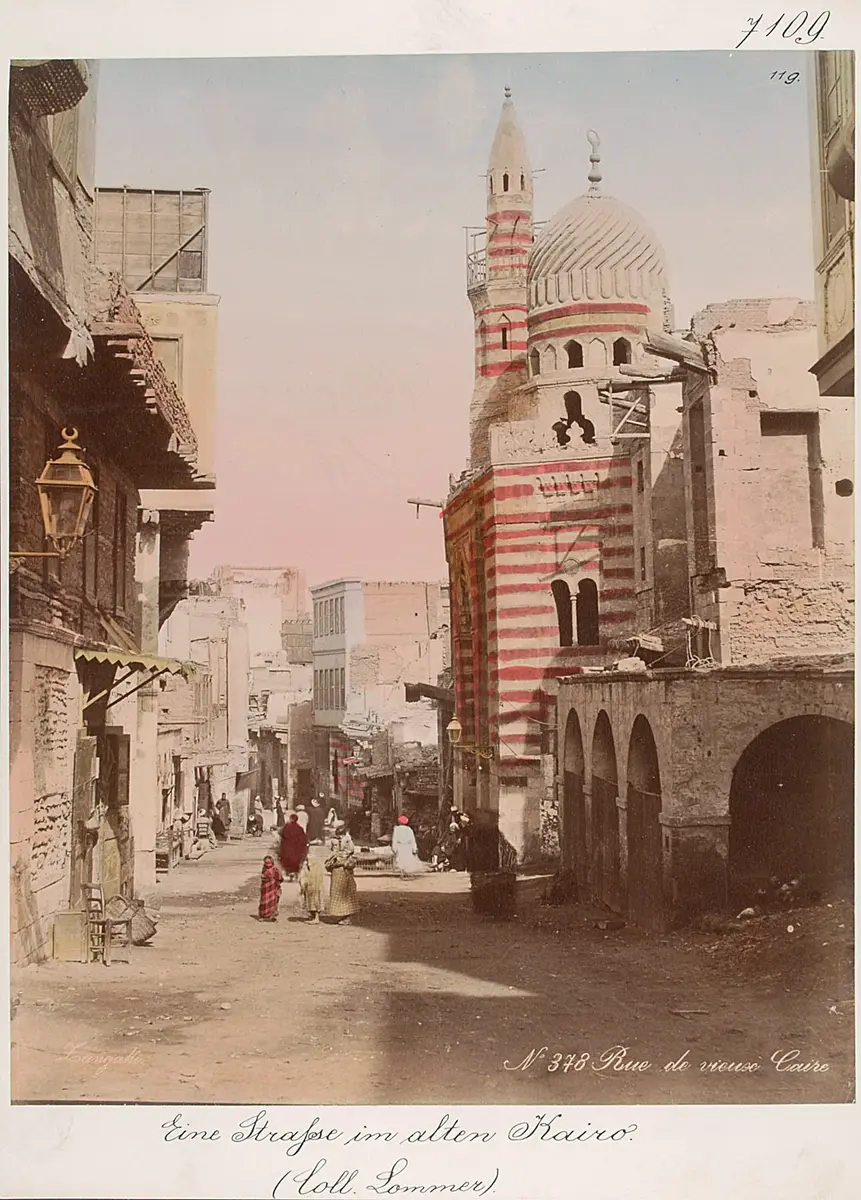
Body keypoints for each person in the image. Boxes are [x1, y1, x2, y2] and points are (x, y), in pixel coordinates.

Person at [462, 809, 518, 919]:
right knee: (489, 886)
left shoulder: (478, 831)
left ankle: (488, 910)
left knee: (485, 886)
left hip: (484, 863)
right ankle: (493, 910)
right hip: (487, 863)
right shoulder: (488, 831)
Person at [325, 842, 359, 924]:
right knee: (338, 897)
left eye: (336, 845)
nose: (334, 847)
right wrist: (333, 864)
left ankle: (348, 917)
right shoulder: (333, 856)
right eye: (334, 846)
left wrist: (343, 863)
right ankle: (343, 915)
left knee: (347, 896)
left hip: (346, 878)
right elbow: (327, 866)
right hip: (336, 880)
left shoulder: (349, 856)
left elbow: (352, 864)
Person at [391, 815, 427, 879]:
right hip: (408, 846)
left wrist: (394, 848)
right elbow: (412, 840)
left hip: (400, 846)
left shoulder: (397, 829)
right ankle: (408, 873)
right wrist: (414, 848)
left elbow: (395, 839)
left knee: (401, 860)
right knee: (408, 860)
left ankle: (402, 873)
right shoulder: (409, 829)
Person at [279, 813, 308, 881]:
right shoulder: (299, 828)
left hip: (287, 849)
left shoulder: (286, 827)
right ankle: (295, 875)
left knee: (288, 862)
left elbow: (281, 834)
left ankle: (290, 874)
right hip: (297, 850)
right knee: (296, 862)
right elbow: (303, 839)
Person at [299, 851, 325, 922]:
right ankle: (313, 916)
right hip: (310, 888)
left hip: (314, 889)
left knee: (315, 902)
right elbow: (303, 877)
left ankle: (316, 918)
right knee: (310, 902)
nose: (306, 862)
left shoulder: (315, 870)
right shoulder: (308, 868)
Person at [258, 855, 283, 921]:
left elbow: (280, 878)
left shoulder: (275, 869)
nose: (268, 865)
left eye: (269, 863)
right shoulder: (264, 869)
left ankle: (271, 916)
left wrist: (276, 884)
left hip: (273, 889)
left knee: (272, 902)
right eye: (266, 863)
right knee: (265, 902)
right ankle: (264, 916)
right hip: (265, 889)